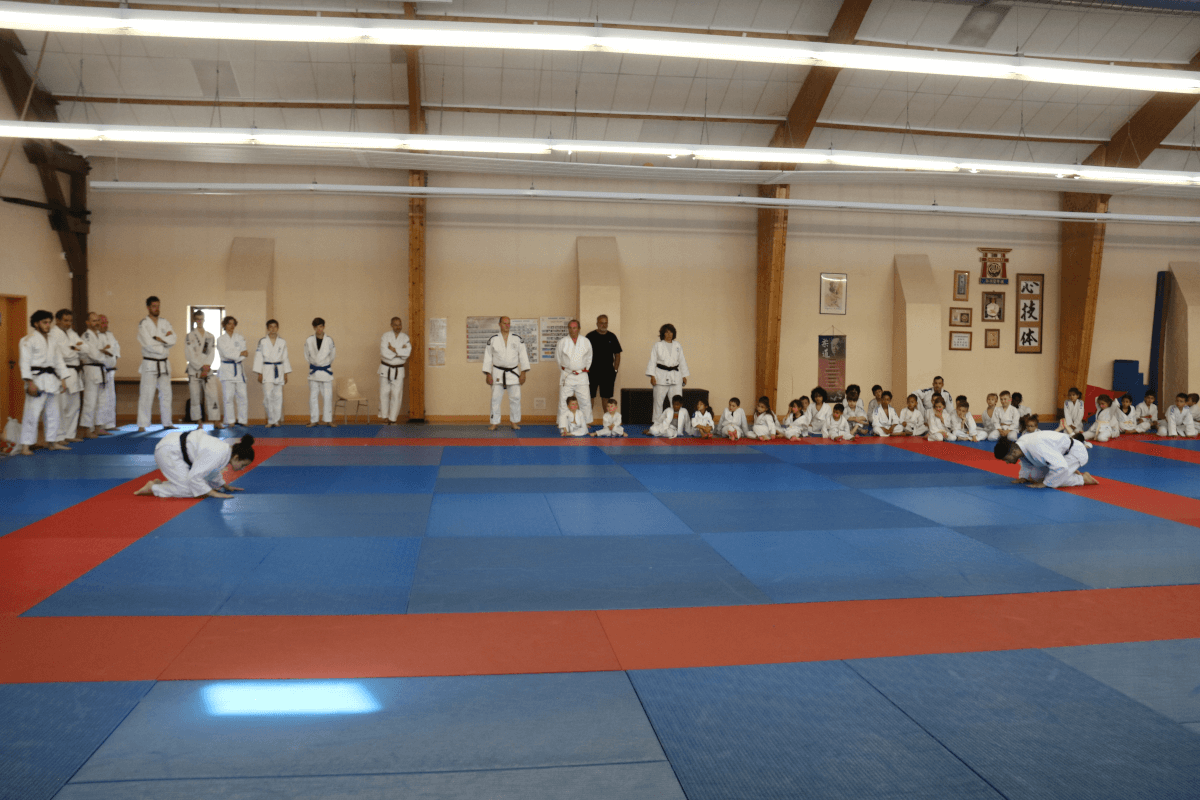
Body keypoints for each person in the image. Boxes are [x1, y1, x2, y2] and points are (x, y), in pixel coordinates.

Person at [135, 431, 256, 498]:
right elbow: (195, 476)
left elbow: (211, 471)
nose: (243, 469)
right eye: (243, 465)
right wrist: (213, 493)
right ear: (236, 458)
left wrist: (224, 485)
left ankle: (162, 484)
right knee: (191, 490)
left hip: (174, 448)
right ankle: (154, 488)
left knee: (201, 486)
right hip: (168, 452)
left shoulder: (225, 451)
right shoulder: (219, 453)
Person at [16, 310, 69, 455]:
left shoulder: (52, 340)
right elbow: (24, 363)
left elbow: (58, 361)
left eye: (49, 322)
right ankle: (26, 446)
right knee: (32, 414)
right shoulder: (28, 340)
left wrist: (63, 378)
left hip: (51, 380)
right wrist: (30, 383)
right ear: (36, 323)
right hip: (36, 379)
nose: (48, 325)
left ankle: (52, 442)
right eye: (44, 322)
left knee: (53, 413)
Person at [994, 431, 1098, 488]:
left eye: (1006, 459)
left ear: (1013, 452)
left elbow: (1060, 466)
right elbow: (1026, 462)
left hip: (1075, 453)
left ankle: (1082, 479)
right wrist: (1023, 477)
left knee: (1053, 480)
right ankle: (1071, 470)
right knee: (1035, 476)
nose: (1007, 463)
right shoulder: (1019, 445)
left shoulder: (1036, 449)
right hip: (1060, 454)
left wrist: (1045, 484)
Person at [482, 316, 530, 431]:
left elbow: (523, 356)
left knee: (515, 398)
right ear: (499, 324)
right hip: (497, 372)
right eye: (504, 323)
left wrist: (523, 373)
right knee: (495, 398)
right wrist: (488, 374)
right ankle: (494, 422)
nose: (507, 325)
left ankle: (514, 422)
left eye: (508, 323)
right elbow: (488, 357)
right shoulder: (493, 339)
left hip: (513, 372)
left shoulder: (517, 339)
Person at [137, 296, 177, 431]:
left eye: (158, 306)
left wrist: (160, 340)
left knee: (166, 394)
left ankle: (167, 422)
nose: (156, 309)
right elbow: (148, 344)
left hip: (164, 364)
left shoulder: (165, 323)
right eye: (154, 306)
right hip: (150, 363)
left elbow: (173, 339)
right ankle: (142, 424)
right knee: (146, 394)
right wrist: (164, 344)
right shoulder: (144, 324)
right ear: (148, 307)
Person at [50, 309, 85, 443]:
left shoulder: (72, 333)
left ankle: (70, 434)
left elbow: (85, 348)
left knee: (74, 405)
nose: (68, 323)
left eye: (70, 321)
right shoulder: (54, 334)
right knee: (61, 406)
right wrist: (75, 349)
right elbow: (64, 353)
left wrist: (74, 348)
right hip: (61, 372)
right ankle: (59, 436)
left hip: (74, 372)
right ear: (57, 320)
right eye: (65, 320)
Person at [185, 310, 222, 429]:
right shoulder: (189, 336)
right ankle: (199, 422)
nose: (199, 321)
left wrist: (206, 367)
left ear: (204, 319)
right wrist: (201, 367)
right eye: (197, 319)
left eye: (201, 318)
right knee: (195, 396)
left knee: (213, 395)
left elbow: (211, 353)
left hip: (207, 370)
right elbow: (189, 355)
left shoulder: (210, 336)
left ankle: (216, 421)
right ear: (194, 320)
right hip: (194, 371)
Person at [252, 320, 291, 428]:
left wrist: (286, 373)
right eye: (270, 327)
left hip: (279, 369)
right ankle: (270, 419)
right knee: (268, 396)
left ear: (277, 328)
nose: (273, 329)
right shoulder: (262, 341)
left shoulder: (282, 342)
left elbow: (285, 358)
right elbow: (258, 357)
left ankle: (276, 420)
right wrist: (259, 373)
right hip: (267, 370)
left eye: (275, 327)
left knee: (278, 396)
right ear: (267, 328)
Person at [79, 312, 110, 439]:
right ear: (87, 322)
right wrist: (102, 352)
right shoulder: (86, 335)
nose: (96, 323)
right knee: (90, 401)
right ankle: (87, 429)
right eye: (93, 320)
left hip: (101, 369)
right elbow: (93, 354)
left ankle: (98, 426)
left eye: (98, 320)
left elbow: (109, 352)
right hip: (91, 369)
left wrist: (102, 352)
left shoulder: (100, 335)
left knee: (101, 401)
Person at [646, 323, 689, 414]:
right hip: (660, 375)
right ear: (663, 334)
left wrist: (684, 375)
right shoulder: (658, 345)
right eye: (667, 332)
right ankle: (657, 422)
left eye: (671, 332)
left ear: (674, 334)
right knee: (658, 401)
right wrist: (652, 376)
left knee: (677, 400)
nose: (669, 334)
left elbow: (682, 360)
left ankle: (676, 421)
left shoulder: (677, 345)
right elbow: (652, 361)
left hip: (675, 375)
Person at [555, 319, 593, 422]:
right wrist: (566, 370)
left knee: (584, 400)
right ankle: (563, 422)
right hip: (567, 374)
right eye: (570, 328)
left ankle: (586, 422)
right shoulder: (562, 342)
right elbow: (558, 359)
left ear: (579, 329)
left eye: (574, 328)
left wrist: (583, 370)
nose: (572, 330)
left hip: (582, 375)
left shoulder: (586, 341)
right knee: (563, 401)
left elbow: (589, 358)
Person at [585, 315, 622, 420]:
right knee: (589, 396)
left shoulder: (612, 336)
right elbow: (583, 353)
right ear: (597, 323)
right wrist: (585, 369)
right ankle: (587, 421)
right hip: (592, 371)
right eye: (601, 322)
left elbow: (617, 354)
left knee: (606, 397)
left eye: (605, 323)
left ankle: (608, 421)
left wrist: (615, 369)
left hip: (608, 372)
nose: (603, 325)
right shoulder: (590, 336)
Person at [379, 316, 412, 425]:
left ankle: (393, 418)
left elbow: (407, 353)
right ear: (391, 325)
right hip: (385, 369)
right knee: (384, 393)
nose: (398, 327)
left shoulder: (405, 337)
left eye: (400, 324)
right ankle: (384, 416)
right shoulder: (385, 336)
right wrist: (399, 352)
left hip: (399, 370)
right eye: (396, 325)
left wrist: (393, 349)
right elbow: (384, 353)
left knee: (396, 394)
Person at [217, 316, 249, 427]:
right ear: (224, 325)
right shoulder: (221, 339)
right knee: (228, 397)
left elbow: (245, 353)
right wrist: (239, 354)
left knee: (242, 396)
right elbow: (226, 354)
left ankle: (242, 420)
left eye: (233, 323)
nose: (231, 326)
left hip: (238, 369)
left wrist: (238, 355)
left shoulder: (240, 338)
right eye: (229, 323)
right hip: (226, 370)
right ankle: (230, 420)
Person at [305, 318, 336, 427]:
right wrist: (316, 364)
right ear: (314, 328)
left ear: (323, 327)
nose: (319, 329)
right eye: (317, 327)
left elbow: (332, 356)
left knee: (327, 396)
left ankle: (328, 419)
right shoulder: (309, 340)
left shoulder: (329, 340)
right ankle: (314, 420)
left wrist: (324, 364)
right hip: (314, 372)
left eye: (321, 326)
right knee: (313, 396)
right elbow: (307, 356)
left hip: (326, 371)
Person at [97, 315, 119, 433]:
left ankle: (110, 424)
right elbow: (99, 351)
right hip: (101, 370)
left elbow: (116, 350)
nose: (105, 324)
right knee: (102, 399)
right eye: (102, 322)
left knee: (111, 398)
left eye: (106, 322)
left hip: (110, 370)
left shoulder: (110, 335)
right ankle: (99, 425)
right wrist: (107, 351)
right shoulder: (94, 335)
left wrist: (110, 352)